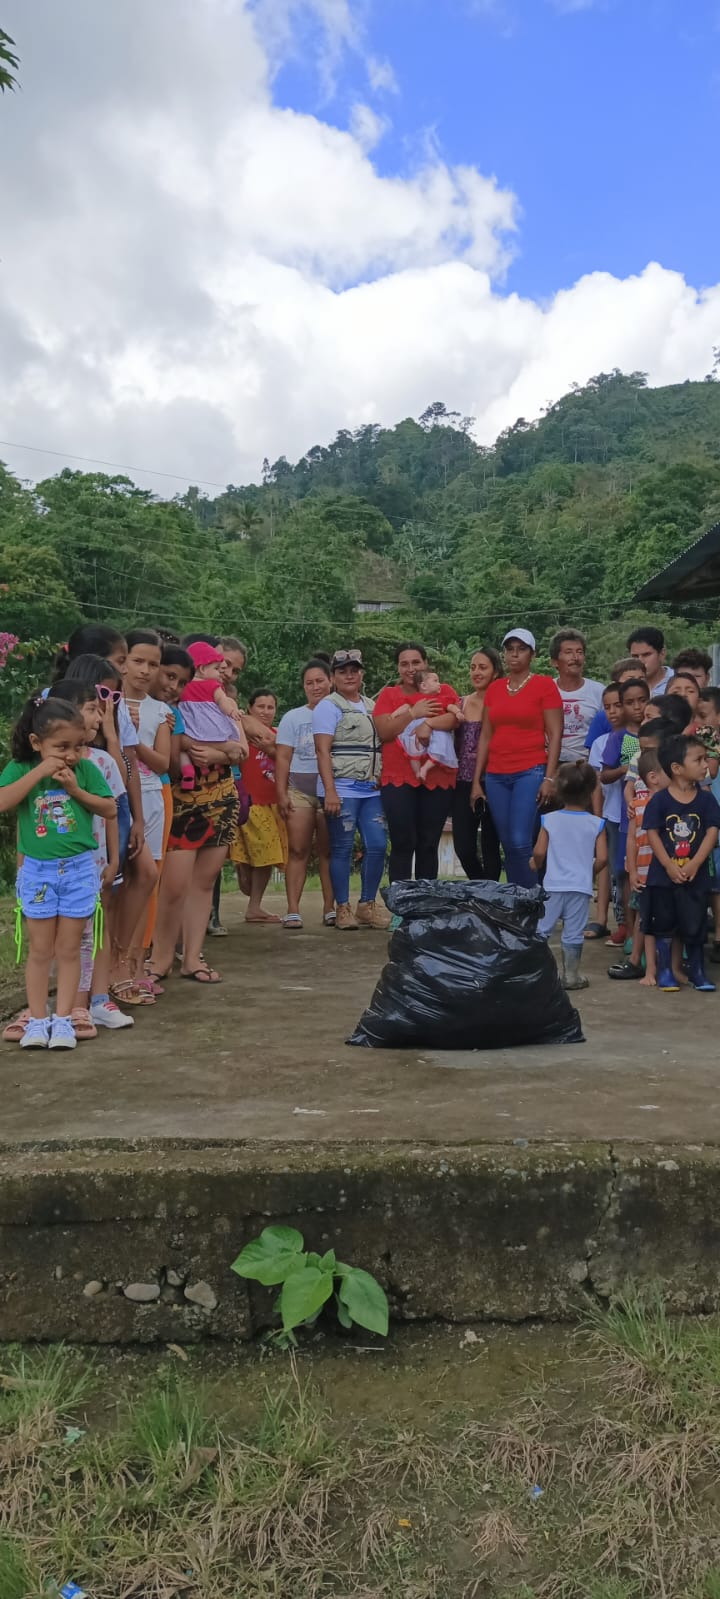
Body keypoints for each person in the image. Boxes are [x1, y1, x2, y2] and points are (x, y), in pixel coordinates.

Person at [0, 695, 115, 1049]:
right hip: (38, 872)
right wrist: (40, 771)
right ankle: (38, 1019)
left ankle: (63, 1019)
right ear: (37, 742)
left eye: (78, 746)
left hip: (79, 870)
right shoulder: (21, 768)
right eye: (61, 747)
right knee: (40, 949)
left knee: (69, 948)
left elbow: (109, 808)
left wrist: (74, 789)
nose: (71, 755)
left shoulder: (85, 770)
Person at [46, 678, 131, 1034]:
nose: (99, 716)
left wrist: (114, 860)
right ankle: (69, 1006)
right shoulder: (42, 765)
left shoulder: (100, 762)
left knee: (95, 929)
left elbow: (112, 812)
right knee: (63, 935)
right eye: (92, 708)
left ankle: (97, 1000)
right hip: (53, 866)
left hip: (92, 865)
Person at [471, 629, 563, 889]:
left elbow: (556, 733)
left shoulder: (544, 685)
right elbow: (486, 735)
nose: (515, 654)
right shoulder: (495, 688)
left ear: (532, 654)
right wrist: (477, 781)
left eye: (521, 649)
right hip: (496, 774)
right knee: (509, 843)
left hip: (530, 770)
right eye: (510, 649)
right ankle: (517, 900)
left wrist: (549, 777)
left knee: (521, 840)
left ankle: (530, 900)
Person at [313, 649, 389, 931]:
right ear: (333, 677)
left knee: (378, 845)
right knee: (342, 848)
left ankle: (367, 904)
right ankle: (342, 907)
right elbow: (322, 750)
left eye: (354, 670)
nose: (349, 675)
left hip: (371, 789)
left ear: (361, 674)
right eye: (342, 671)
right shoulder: (328, 706)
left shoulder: (372, 706)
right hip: (342, 788)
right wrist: (330, 790)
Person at [373, 642, 460, 882]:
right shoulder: (390, 695)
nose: (410, 668)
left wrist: (428, 723)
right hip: (399, 776)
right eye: (404, 664)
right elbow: (384, 731)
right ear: (398, 667)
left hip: (438, 774)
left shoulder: (442, 689)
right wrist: (414, 713)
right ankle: (400, 901)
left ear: (425, 663)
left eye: (416, 662)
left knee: (428, 843)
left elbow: (454, 720)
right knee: (402, 841)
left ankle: (425, 901)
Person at [644, 732, 720, 992]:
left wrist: (695, 863)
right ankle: (665, 971)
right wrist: (668, 865)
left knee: (695, 924)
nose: (705, 764)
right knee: (664, 924)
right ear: (677, 768)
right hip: (663, 876)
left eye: (705, 758)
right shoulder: (660, 800)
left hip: (696, 876)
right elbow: (652, 833)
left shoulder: (707, 799)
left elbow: (712, 832)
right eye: (698, 760)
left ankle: (697, 972)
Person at [532, 763, 607, 991]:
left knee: (542, 930)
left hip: (553, 886)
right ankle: (571, 976)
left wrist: (535, 863)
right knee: (573, 933)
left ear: (558, 790)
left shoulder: (550, 820)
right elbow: (602, 858)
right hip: (580, 888)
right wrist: (588, 873)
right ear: (591, 791)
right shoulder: (596, 823)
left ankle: (535, 975)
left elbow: (540, 852)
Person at [275, 658, 336, 929]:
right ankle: (292, 909)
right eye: (309, 683)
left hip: (331, 789)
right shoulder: (293, 717)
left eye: (320, 681)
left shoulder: (340, 712)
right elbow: (282, 758)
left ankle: (330, 908)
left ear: (330, 681)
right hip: (298, 790)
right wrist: (281, 793)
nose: (315, 687)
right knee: (298, 849)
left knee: (328, 851)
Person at [609, 749, 668, 985]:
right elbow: (631, 840)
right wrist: (632, 871)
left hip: (667, 874)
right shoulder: (638, 806)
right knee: (643, 917)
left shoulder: (673, 805)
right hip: (643, 874)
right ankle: (635, 960)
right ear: (653, 777)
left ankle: (666, 964)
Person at [231, 688, 288, 925]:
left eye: (270, 707)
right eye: (260, 707)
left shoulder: (278, 735)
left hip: (273, 803)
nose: (265, 711)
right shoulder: (241, 731)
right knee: (257, 855)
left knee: (268, 855)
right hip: (250, 802)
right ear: (250, 708)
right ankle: (249, 892)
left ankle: (254, 906)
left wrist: (270, 748)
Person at [452, 646, 502, 882]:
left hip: (495, 779)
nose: (476, 672)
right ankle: (482, 887)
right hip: (463, 781)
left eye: (483, 667)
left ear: (495, 672)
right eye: (473, 667)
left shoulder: (502, 703)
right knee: (463, 848)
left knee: (491, 845)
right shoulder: (460, 703)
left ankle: (491, 895)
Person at [178, 642, 248, 788]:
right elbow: (178, 739)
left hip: (224, 791)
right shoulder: (179, 693)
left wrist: (217, 756)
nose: (227, 672)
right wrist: (225, 748)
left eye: (235, 671)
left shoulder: (229, 704)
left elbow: (243, 752)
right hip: (184, 793)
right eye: (223, 665)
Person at [585, 682, 623, 939]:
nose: (613, 712)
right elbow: (598, 784)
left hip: (632, 814)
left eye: (618, 705)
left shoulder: (637, 737)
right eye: (607, 707)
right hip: (610, 813)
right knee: (611, 867)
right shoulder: (601, 742)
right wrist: (597, 820)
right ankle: (608, 920)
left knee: (625, 871)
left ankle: (628, 925)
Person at [549, 629, 604, 762]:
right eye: (568, 652)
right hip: (548, 761)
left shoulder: (599, 691)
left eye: (580, 652)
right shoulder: (545, 690)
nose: (576, 658)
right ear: (555, 661)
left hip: (585, 763)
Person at [397, 668, 461, 781]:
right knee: (412, 749)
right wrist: (394, 715)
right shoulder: (416, 698)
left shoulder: (441, 698)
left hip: (437, 728)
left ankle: (425, 769)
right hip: (416, 726)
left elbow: (450, 706)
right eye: (435, 681)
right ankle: (417, 772)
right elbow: (407, 707)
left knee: (440, 747)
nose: (439, 684)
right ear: (424, 685)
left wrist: (458, 712)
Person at [583, 658, 648, 752]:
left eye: (642, 679)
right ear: (615, 684)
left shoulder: (650, 711)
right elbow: (594, 752)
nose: (636, 684)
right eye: (630, 680)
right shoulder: (603, 717)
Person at [627, 626, 673, 698]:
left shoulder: (679, 682)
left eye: (646, 655)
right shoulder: (625, 684)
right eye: (635, 656)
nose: (640, 661)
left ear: (662, 653)